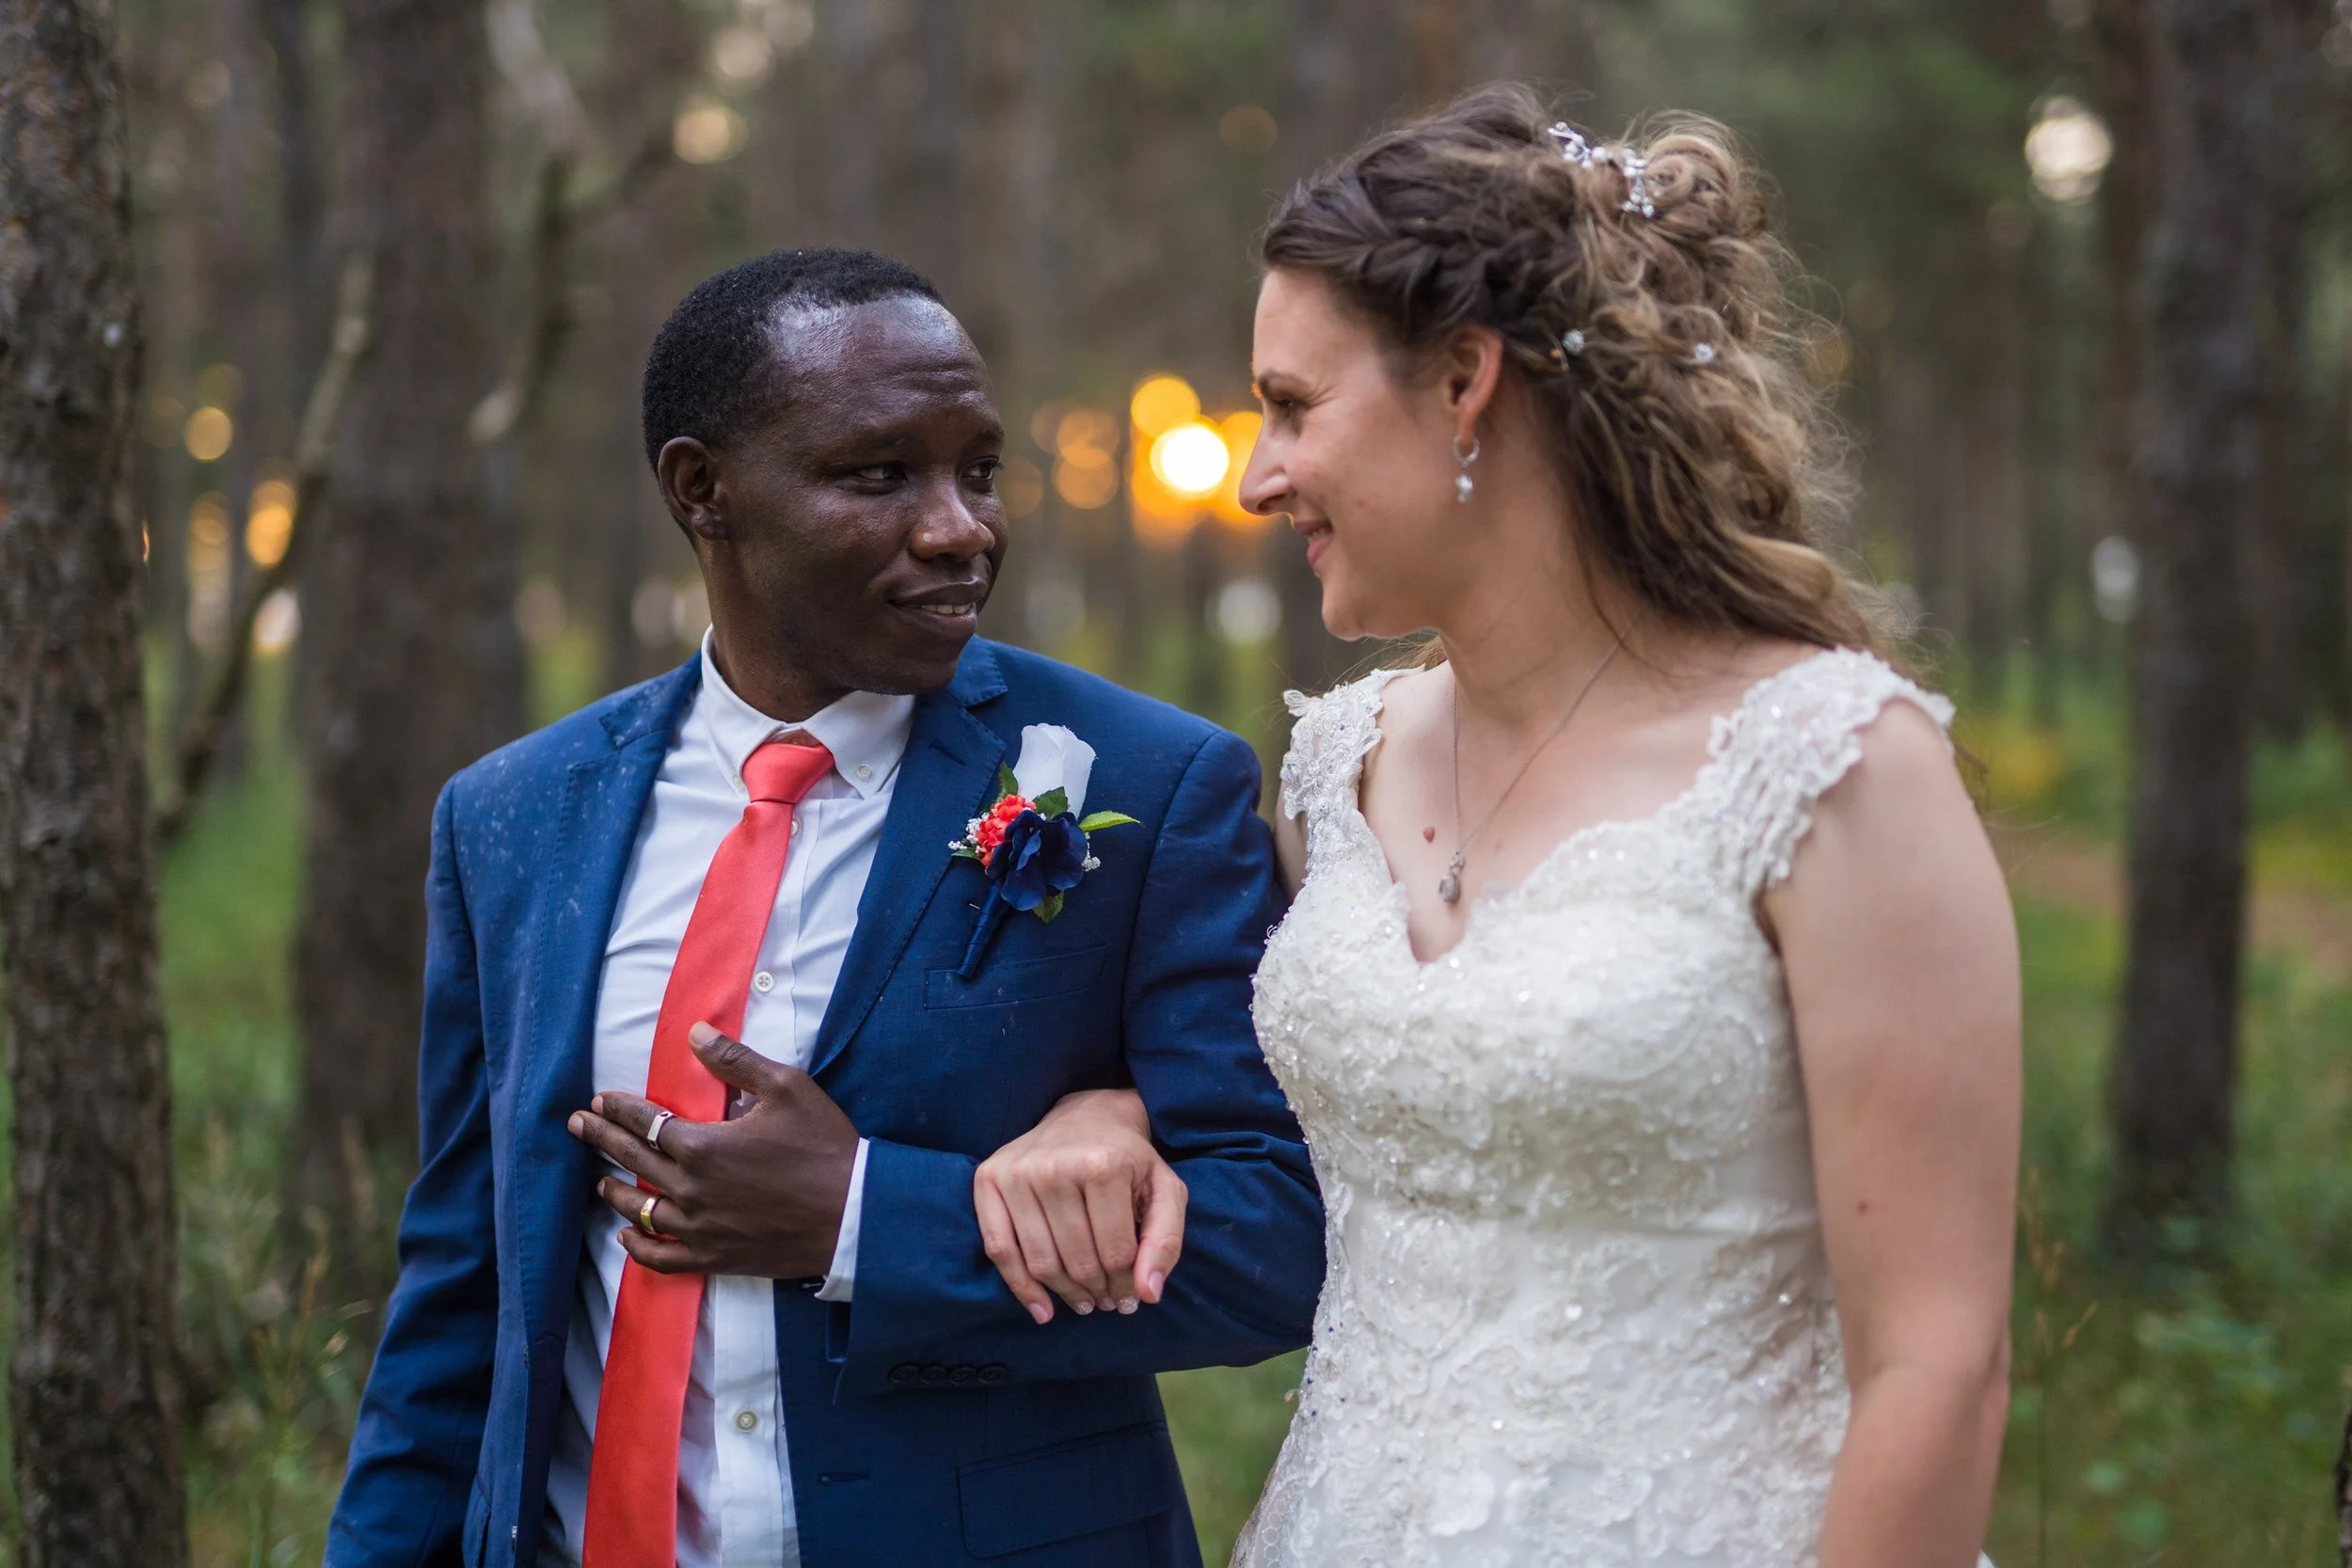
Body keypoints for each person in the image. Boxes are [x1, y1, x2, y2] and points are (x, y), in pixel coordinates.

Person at [984, 85, 2020, 1565]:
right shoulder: (1336, 770)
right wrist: (1117, 1108)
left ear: (1464, 377)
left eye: (1290, 405)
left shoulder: (1830, 764)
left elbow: (1938, 1366)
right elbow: (1266, 1100)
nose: (1259, 473)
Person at [325, 247, 1322, 1568]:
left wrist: (863, 1217)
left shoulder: (1150, 785)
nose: (959, 525)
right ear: (703, 491)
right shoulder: (513, 817)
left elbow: (1270, 1241)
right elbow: (464, 1293)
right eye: (878, 474)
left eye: (977, 467)